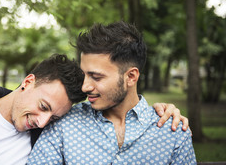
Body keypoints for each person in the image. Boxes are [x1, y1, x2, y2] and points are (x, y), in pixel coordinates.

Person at [0, 54, 187, 165]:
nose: (43, 121)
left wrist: (158, 109)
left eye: (54, 117)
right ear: (28, 82)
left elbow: (117, 95)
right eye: (44, 107)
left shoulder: (47, 137)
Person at [27, 22, 196, 164]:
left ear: (131, 77)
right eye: (84, 75)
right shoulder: (64, 124)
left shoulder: (173, 132)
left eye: (96, 77)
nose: (84, 87)